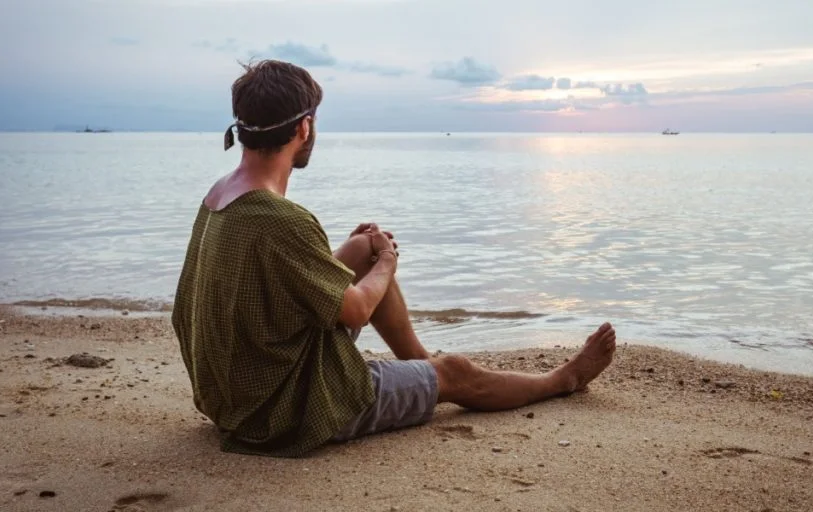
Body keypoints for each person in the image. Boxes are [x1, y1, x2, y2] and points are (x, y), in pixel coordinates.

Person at [171, 59, 617, 457]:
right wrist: (386, 263)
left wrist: (368, 253)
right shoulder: (280, 219)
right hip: (286, 411)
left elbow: (261, 280)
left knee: (363, 248)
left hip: (233, 395)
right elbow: (358, 308)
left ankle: (420, 368)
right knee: (456, 371)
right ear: (304, 127)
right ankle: (560, 380)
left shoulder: (220, 194)